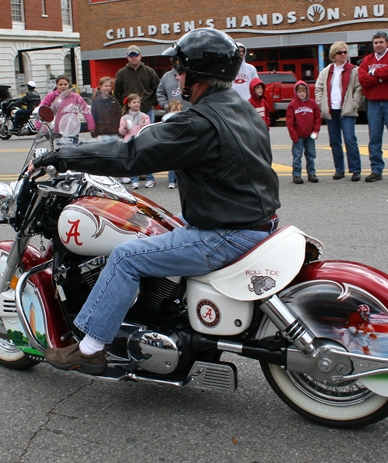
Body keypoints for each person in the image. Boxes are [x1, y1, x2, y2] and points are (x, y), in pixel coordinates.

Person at [31, 28, 280, 374]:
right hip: (251, 218)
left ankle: (89, 348)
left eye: (179, 68)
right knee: (159, 223)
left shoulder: (199, 122)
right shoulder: (244, 109)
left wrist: (65, 156)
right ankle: (155, 312)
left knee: (124, 257)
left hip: (226, 232)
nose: (176, 76)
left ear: (195, 73)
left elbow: (130, 155)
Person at [358, 32, 388, 183]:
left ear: (387, 43)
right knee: (374, 139)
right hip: (374, 104)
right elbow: (363, 79)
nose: (378, 45)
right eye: (375, 42)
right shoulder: (367, 60)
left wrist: (375, 74)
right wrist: (381, 78)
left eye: (381, 42)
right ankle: (376, 170)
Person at [315, 41, 363, 182]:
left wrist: (354, 103)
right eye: (340, 52)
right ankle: (339, 169)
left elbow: (359, 89)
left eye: (345, 52)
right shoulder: (326, 71)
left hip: (346, 110)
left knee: (350, 140)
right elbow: (319, 88)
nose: (343, 55)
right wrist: (321, 103)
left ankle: (355, 170)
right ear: (333, 55)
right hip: (331, 111)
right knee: (334, 142)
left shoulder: (354, 70)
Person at [39, 75, 95, 145]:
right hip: (58, 129)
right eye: (60, 84)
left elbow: (86, 111)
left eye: (65, 84)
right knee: (60, 151)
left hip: (72, 129)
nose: (63, 86)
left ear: (68, 85)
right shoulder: (52, 95)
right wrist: (40, 127)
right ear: (56, 85)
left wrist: (91, 126)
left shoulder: (75, 96)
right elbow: (42, 108)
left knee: (72, 150)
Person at [113, 45, 160, 122]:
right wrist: (123, 106)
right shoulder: (121, 73)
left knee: (147, 133)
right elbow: (117, 92)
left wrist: (152, 103)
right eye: (131, 55)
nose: (133, 57)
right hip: (128, 113)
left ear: (140, 56)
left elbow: (157, 88)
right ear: (127, 57)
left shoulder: (149, 72)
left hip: (147, 111)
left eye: (135, 54)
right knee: (130, 134)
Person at [286, 81, 321, 184]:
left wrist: (316, 131)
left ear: (307, 92)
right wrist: (294, 136)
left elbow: (317, 119)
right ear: (296, 92)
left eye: (304, 91)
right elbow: (289, 122)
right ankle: (296, 175)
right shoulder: (292, 105)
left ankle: (311, 173)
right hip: (298, 136)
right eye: (299, 91)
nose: (302, 93)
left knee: (311, 155)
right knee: (297, 156)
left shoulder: (312, 104)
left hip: (310, 135)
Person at [119, 93, 154, 189]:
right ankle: (135, 181)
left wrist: (143, 124)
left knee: (145, 161)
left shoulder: (144, 116)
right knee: (132, 162)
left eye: (138, 102)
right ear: (129, 104)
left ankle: (150, 179)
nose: (137, 104)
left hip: (141, 141)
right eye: (134, 102)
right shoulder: (125, 117)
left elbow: (148, 129)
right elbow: (121, 132)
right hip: (130, 142)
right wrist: (125, 128)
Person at [90, 77, 122, 143]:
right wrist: (94, 132)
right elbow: (94, 116)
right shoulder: (96, 101)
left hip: (114, 130)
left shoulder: (114, 100)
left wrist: (121, 129)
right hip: (102, 131)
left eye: (109, 86)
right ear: (100, 87)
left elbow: (119, 115)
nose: (108, 87)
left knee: (116, 145)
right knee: (108, 143)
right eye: (106, 86)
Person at [162, 99, 184, 189]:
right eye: (174, 110)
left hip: (181, 142)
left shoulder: (183, 117)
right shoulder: (166, 118)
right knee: (172, 164)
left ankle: (180, 181)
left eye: (178, 110)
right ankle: (171, 181)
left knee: (181, 164)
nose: (176, 112)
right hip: (171, 142)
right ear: (170, 110)